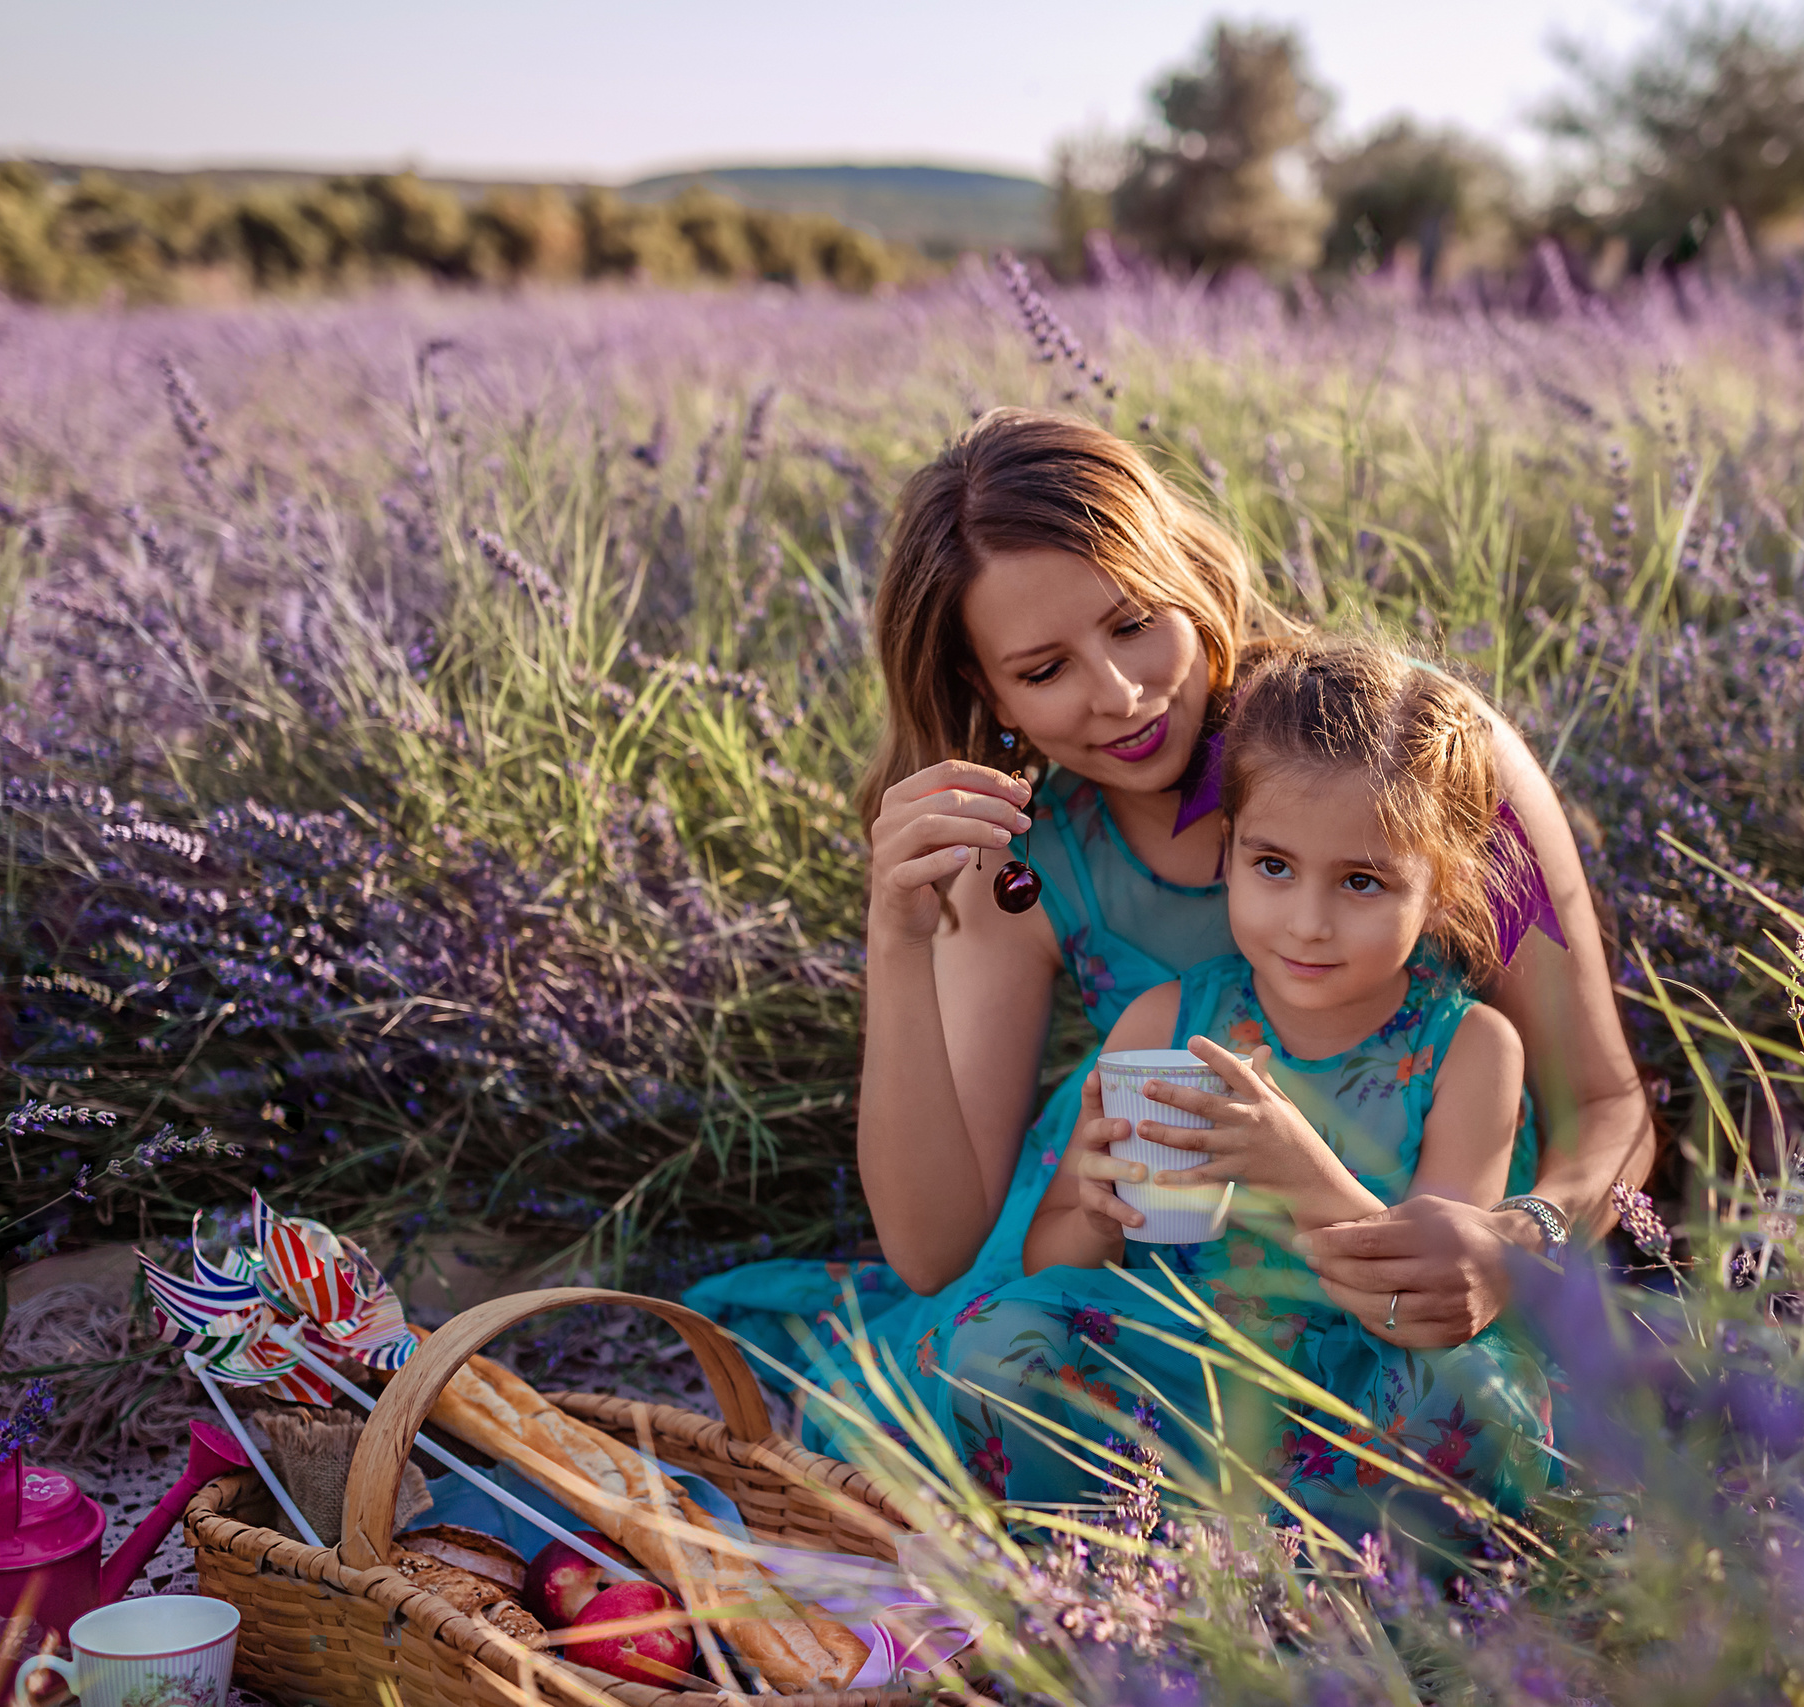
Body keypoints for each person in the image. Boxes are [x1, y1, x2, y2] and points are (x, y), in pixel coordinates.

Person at [679, 409, 1651, 1452]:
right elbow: (937, 1253)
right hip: (1173, 1300)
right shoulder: (1029, 861)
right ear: (985, 691)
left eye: (1136, 620)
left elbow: (1604, 1103)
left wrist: (1524, 1238)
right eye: (1044, 670)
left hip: (1427, 1278)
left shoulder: (1415, 756)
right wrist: (897, 939)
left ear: (1190, 576)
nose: (1121, 693)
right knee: (981, 1377)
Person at [950, 637, 1553, 1549]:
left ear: (1440, 890)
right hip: (1185, 1372)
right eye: (1273, 866)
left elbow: (1430, 1309)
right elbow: (1054, 1256)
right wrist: (1100, 1215)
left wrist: (1304, 1173)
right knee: (996, 1342)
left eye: (1362, 882)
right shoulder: (1165, 1021)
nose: (1307, 921)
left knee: (1475, 1402)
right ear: (1228, 853)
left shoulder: (1470, 1048)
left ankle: (1331, 1577)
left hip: (1356, 1385)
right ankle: (1125, 1562)